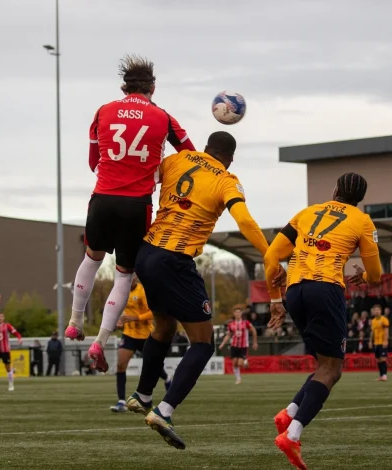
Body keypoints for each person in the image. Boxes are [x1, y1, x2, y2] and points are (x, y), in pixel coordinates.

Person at [124, 131, 283, 449]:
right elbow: (245, 222)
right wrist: (270, 254)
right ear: (230, 156)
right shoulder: (226, 179)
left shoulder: (176, 159)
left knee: (164, 327)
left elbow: (139, 182)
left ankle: (142, 395)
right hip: (175, 261)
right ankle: (164, 411)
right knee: (203, 342)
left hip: (146, 253)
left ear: (206, 147)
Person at [66, 55, 196, 373]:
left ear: (124, 86)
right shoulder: (163, 118)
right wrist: (157, 173)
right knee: (124, 274)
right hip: (137, 204)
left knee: (92, 258)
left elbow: (93, 163)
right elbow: (191, 156)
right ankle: (100, 341)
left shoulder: (103, 111)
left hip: (103, 198)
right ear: (153, 87)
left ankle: (74, 321)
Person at [264, 173, 382, 469]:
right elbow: (376, 275)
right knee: (332, 369)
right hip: (326, 288)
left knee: (322, 364)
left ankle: (289, 413)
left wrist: (275, 299)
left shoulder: (307, 212)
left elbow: (271, 255)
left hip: (294, 291)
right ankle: (292, 434)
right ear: (360, 198)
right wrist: (363, 276)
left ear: (335, 190)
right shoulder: (362, 220)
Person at [110, 275, 171, 413]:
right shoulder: (121, 291)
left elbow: (153, 313)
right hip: (129, 334)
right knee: (120, 365)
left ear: (136, 278)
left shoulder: (143, 291)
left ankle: (167, 378)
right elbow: (116, 308)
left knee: (152, 365)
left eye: (132, 277)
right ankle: (121, 401)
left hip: (145, 335)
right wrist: (118, 321)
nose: (129, 279)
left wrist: (134, 318)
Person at [218, 307, 258, 384]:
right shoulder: (231, 324)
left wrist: (255, 342)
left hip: (243, 346)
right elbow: (228, 335)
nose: (237, 314)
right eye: (236, 312)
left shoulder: (246, 323)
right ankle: (238, 379)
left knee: (240, 363)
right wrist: (222, 344)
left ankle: (245, 361)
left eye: (239, 312)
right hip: (234, 346)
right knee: (234, 363)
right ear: (234, 314)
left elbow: (254, 331)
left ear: (241, 314)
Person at [369, 305, 389, 381]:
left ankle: (384, 375)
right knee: (378, 359)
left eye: (378, 310)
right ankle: (381, 375)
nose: (376, 311)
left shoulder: (384, 319)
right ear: (373, 311)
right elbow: (372, 332)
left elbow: (386, 331)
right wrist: (370, 341)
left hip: (382, 342)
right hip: (376, 343)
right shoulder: (373, 321)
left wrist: (385, 341)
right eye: (375, 310)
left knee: (383, 359)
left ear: (381, 311)